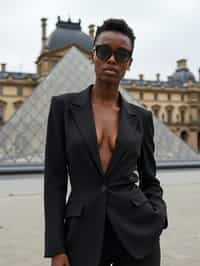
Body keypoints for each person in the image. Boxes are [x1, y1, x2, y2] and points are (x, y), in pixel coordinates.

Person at [44, 18, 168, 266]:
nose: (112, 60)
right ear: (93, 56)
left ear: (129, 64)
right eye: (104, 51)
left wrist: (158, 216)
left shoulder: (141, 118)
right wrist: (56, 247)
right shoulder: (63, 107)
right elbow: (55, 182)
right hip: (82, 233)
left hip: (137, 232)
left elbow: (149, 179)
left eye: (121, 55)